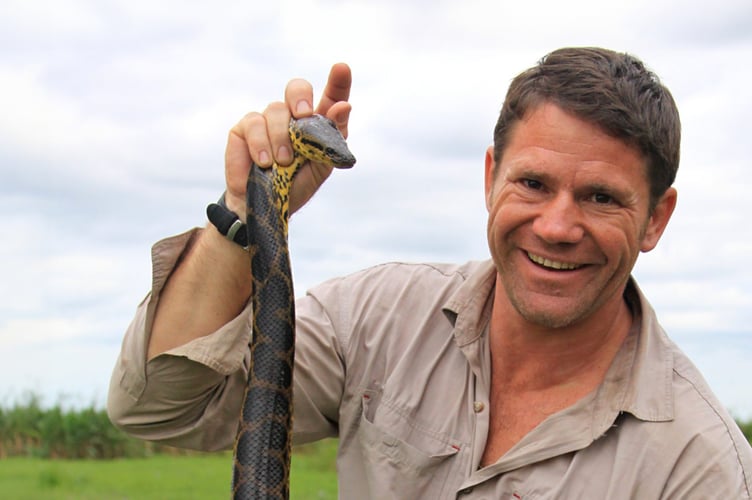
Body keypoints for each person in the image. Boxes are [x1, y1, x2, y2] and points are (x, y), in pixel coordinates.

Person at [108, 47, 752, 498]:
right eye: (532, 183)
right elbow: (159, 409)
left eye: (601, 197)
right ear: (489, 177)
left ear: (656, 219)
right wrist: (248, 211)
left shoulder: (698, 466)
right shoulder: (378, 319)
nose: (557, 226)